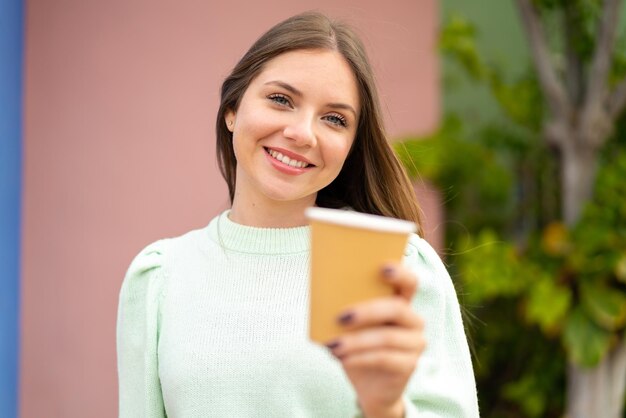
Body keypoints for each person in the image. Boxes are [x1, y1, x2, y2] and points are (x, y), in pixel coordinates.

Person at [117, 11, 479, 418]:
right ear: (232, 109)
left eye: (334, 119)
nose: (303, 133)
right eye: (281, 99)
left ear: (350, 146)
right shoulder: (159, 278)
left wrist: (387, 407)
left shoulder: (398, 267)